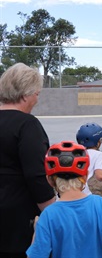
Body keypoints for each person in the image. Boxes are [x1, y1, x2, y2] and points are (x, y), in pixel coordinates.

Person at [26, 141, 102, 258]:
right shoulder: (99, 205)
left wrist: (37, 229)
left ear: (50, 180)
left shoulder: (48, 215)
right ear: (85, 176)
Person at [0, 63, 56, 258]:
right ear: (25, 95)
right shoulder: (27, 125)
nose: (36, 99)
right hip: (16, 221)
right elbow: (37, 175)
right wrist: (52, 210)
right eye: (36, 94)